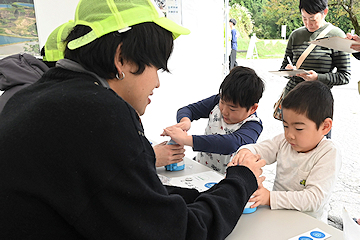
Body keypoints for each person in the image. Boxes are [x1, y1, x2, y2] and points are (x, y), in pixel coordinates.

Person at [0, 0, 266, 239]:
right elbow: (178, 232)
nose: (158, 83)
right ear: (121, 58)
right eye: (156, 67)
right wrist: (242, 180)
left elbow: (136, 199)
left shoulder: (37, 97)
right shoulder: (99, 113)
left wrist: (215, 194)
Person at [231, 81, 342, 223]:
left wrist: (270, 197)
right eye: (285, 126)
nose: (290, 134)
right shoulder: (285, 142)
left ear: (325, 127)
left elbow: (314, 199)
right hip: (278, 216)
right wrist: (245, 152)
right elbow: (260, 149)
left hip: (308, 224)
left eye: (299, 128)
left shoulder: (328, 152)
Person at [163, 66, 264, 174]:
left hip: (227, 181)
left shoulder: (253, 126)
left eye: (232, 109)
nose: (224, 111)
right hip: (201, 168)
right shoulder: (217, 102)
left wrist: (186, 140)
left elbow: (230, 144)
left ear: (253, 108)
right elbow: (188, 110)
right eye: (222, 102)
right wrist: (185, 121)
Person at [280, 0, 351, 139]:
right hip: (293, 99)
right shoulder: (295, 35)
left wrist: (318, 78)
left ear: (324, 12)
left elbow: (345, 76)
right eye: (304, 18)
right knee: (292, 143)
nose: (308, 23)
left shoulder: (337, 36)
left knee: (320, 149)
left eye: (312, 19)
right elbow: (283, 68)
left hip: (318, 103)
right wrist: (288, 71)